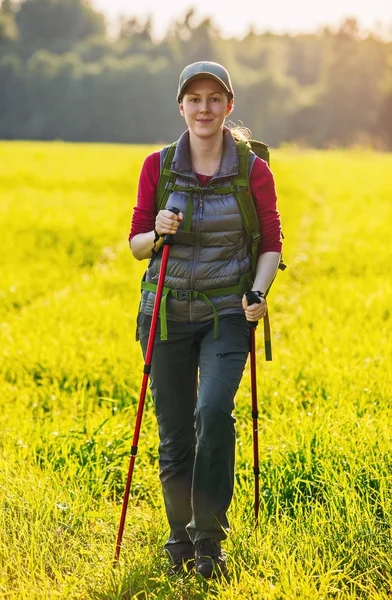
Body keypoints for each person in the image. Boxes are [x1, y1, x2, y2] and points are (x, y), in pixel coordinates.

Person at [129, 61, 282, 579]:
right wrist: (157, 229)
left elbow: (271, 243)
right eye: (194, 99)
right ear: (181, 106)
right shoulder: (159, 166)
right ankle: (178, 536)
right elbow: (134, 247)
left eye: (214, 98)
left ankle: (209, 543)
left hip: (225, 312)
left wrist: (258, 293)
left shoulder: (252, 170)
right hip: (165, 313)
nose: (204, 108)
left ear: (229, 106)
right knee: (174, 434)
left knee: (213, 415)